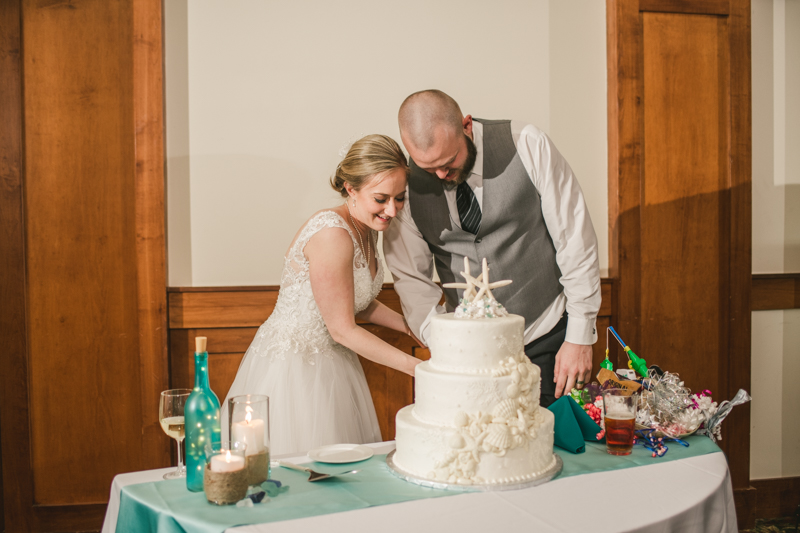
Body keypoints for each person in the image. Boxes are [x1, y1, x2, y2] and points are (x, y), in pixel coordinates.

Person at [383, 90, 601, 407]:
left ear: (467, 126)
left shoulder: (526, 143)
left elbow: (575, 239)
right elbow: (410, 278)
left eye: (448, 162)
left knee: (552, 450)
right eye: (429, 169)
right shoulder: (405, 186)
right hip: (468, 353)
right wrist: (446, 347)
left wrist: (579, 335)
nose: (441, 175)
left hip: (548, 333)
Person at [223, 134, 421, 455]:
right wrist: (418, 368)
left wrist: (412, 327)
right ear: (350, 188)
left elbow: (359, 302)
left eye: (400, 198)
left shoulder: (367, 226)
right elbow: (342, 327)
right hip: (295, 369)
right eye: (382, 198)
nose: (392, 210)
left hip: (334, 361)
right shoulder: (332, 234)